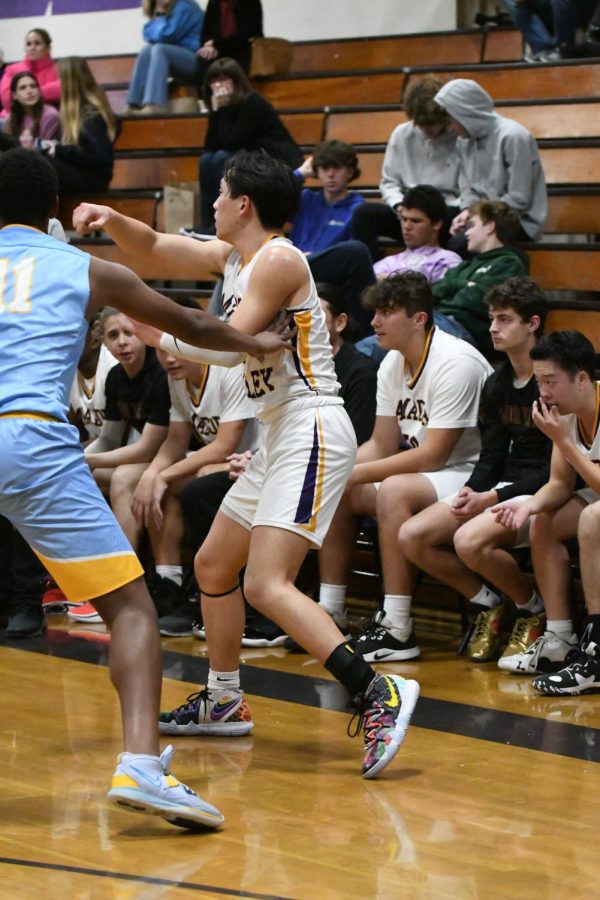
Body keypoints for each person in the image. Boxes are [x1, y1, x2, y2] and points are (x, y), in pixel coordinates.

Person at [74, 149, 420, 779]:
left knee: (266, 582)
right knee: (212, 563)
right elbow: (151, 249)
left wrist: (152, 332)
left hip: (311, 424)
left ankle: (377, 692)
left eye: (221, 193)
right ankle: (227, 697)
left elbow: (225, 346)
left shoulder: (280, 258)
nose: (211, 202)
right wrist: (111, 220)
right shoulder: (232, 256)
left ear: (244, 204)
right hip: (277, 430)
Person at [0, 146, 288, 829]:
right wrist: (259, 344)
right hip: (33, 438)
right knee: (130, 608)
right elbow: (189, 322)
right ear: (53, 213)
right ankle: (141, 767)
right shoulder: (86, 266)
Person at [317, 271, 492, 662]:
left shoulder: (455, 361)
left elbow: (435, 455)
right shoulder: (392, 363)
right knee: (340, 489)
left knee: (393, 489)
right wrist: (336, 470)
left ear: (419, 319)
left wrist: (355, 472)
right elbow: (379, 444)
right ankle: (330, 610)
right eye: (375, 312)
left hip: (474, 472)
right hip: (431, 473)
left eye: (387, 312)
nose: (375, 322)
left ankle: (397, 626)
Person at [399, 277, 552, 664]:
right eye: (491, 319)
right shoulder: (497, 383)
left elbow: (553, 468)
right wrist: (472, 490)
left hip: (544, 488)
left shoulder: (551, 382)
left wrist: (493, 497)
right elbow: (491, 455)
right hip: (503, 484)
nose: (493, 328)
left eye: (504, 319)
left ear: (533, 324)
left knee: (469, 540)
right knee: (413, 535)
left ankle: (532, 610)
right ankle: (489, 604)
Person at [491, 330, 599, 686]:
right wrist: (528, 508)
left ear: (582, 378)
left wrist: (564, 443)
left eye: (551, 381)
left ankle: (596, 651)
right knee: (544, 522)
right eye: (539, 382)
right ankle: (559, 638)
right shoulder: (564, 413)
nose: (544, 392)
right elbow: (559, 484)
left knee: (591, 518)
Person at [120, 344, 255, 618]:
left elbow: (224, 445)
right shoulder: (177, 378)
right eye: (161, 351)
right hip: (223, 462)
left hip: (252, 460)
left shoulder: (228, 370)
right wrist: (152, 477)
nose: (169, 359)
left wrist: (162, 475)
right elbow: (176, 441)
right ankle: (169, 582)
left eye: (177, 349)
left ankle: (207, 584)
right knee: (154, 486)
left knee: (193, 484)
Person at [351, 76, 460, 261]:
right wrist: (398, 204)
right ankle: (368, 276)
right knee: (364, 214)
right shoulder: (402, 134)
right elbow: (389, 182)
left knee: (456, 220)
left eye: (431, 123)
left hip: (445, 211)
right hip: (408, 208)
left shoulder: (460, 136)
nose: (427, 130)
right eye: (421, 124)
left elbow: (469, 190)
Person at [433, 78, 547, 246]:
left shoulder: (513, 136)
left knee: (459, 244)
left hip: (516, 221)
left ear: (466, 113)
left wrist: (476, 216)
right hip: (482, 216)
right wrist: (467, 212)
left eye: (451, 121)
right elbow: (467, 188)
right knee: (433, 222)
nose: (450, 129)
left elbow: (519, 199)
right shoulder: (464, 140)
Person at [196, 57, 302, 232]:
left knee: (222, 158)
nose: (218, 86)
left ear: (236, 81)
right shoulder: (222, 110)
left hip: (275, 162)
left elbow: (233, 140)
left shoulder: (253, 103)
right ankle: (208, 223)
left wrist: (221, 109)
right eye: (214, 81)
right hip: (252, 159)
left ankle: (227, 219)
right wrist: (217, 111)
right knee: (207, 160)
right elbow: (210, 146)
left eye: (224, 79)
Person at [289, 140, 374, 337]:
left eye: (337, 168)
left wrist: (316, 256)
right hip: (292, 268)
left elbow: (351, 261)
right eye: (324, 168)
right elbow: (267, 198)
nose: (330, 174)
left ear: (350, 172)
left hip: (324, 279)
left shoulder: (358, 208)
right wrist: (301, 173)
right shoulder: (306, 198)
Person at [431, 200, 529, 353]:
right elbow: (434, 292)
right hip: (440, 321)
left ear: (490, 226)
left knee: (391, 342)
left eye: (472, 226)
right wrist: (466, 285)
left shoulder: (509, 263)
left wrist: (453, 287)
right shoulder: (464, 266)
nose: (467, 233)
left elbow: (481, 300)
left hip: (468, 332)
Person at [44, 56, 118, 196]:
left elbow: (100, 156)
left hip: (94, 180)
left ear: (70, 82)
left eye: (60, 79)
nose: (57, 84)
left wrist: (60, 150)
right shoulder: (78, 112)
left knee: (41, 166)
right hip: (84, 174)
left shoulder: (92, 115)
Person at [125, 0, 204, 115]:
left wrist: (160, 12)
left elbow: (165, 34)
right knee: (146, 50)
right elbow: (147, 34)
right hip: (178, 61)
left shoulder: (186, 6)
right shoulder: (170, 9)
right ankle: (133, 104)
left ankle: (155, 104)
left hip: (197, 61)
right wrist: (160, 13)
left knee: (159, 49)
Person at [372, 185, 462, 283]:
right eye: (404, 219)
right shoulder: (387, 263)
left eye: (415, 221)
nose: (406, 226)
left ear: (436, 224)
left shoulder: (447, 261)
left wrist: (386, 281)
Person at [69, 312, 118, 444]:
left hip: (123, 449)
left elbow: (114, 439)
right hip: (98, 449)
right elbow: (72, 431)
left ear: (94, 341)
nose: (63, 343)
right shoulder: (68, 372)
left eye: (72, 336)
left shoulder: (113, 369)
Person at [195, 0, 263, 83]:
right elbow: (206, 32)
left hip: (243, 51)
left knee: (232, 67)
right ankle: (207, 94)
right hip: (218, 51)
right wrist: (207, 46)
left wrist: (216, 45)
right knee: (203, 58)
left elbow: (246, 34)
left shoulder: (250, 2)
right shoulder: (214, 2)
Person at [0, 28, 60, 119]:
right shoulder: (12, 69)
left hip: (47, 119)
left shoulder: (59, 70)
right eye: (28, 44)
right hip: (13, 119)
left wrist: (23, 94)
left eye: (37, 43)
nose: (32, 48)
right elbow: (7, 100)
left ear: (48, 48)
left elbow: (61, 90)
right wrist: (44, 94)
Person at [4, 72, 61, 147]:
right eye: (23, 88)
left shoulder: (50, 115)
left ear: (39, 91)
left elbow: (45, 150)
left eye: (33, 86)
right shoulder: (11, 117)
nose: (30, 91)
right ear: (14, 95)